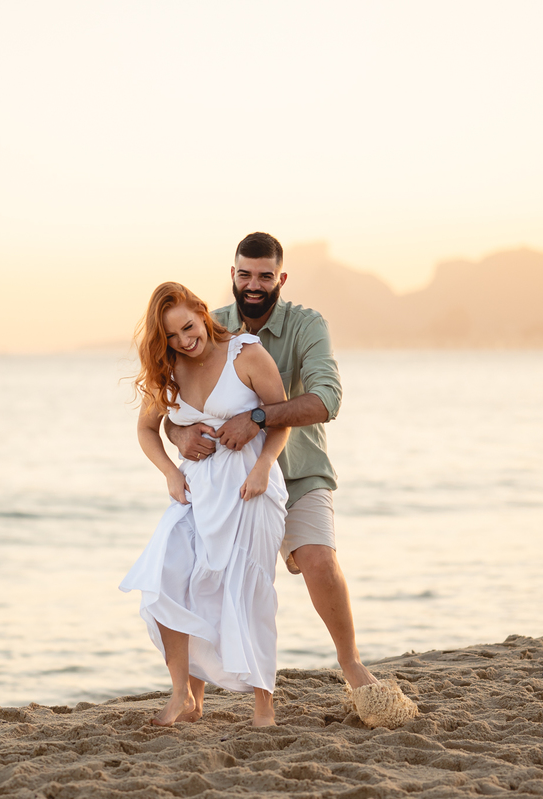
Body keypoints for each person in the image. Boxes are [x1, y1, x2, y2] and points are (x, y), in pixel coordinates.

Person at [164, 232, 418, 728]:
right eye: (244, 274)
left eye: (265, 276)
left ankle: (352, 665)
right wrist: (178, 434)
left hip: (297, 472)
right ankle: (194, 695)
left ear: (280, 278)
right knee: (200, 577)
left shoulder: (307, 325)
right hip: (226, 483)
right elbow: (173, 404)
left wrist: (258, 419)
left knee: (318, 560)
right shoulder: (207, 325)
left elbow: (327, 400)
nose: (253, 285)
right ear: (233, 274)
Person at [120, 282, 291, 727]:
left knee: (249, 591)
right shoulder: (168, 368)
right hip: (195, 491)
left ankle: (264, 706)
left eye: (188, 327)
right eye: (171, 336)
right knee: (167, 577)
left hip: (250, 488)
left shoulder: (245, 354)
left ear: (201, 311)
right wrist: (170, 472)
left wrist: (264, 466)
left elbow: (281, 416)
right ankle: (184, 697)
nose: (183, 340)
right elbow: (146, 429)